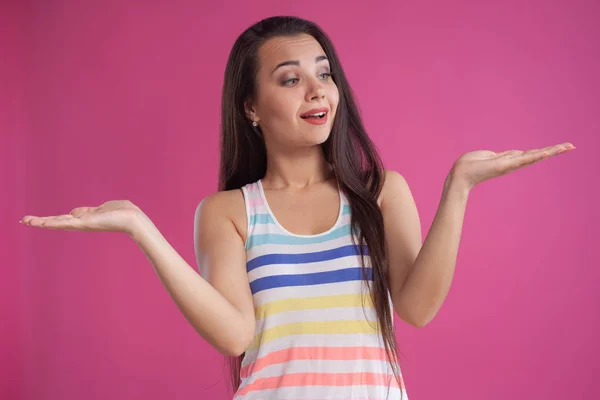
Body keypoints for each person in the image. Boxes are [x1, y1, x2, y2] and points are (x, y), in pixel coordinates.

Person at [19, 15, 575, 400]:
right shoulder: (228, 212)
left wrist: (459, 187)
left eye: (324, 73)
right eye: (291, 79)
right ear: (252, 108)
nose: (318, 91)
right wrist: (141, 229)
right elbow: (237, 335)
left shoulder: (382, 193)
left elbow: (417, 308)